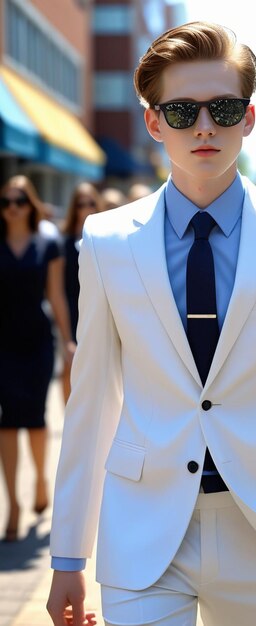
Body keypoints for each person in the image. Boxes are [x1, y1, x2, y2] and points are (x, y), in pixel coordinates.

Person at [47, 21, 256, 626]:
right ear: (153, 123)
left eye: (223, 108)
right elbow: (92, 400)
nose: (204, 126)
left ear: (248, 118)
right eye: (181, 111)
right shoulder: (106, 240)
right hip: (141, 530)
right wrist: (67, 553)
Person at [0, 175, 75, 542]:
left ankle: (41, 480)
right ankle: (13, 502)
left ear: (30, 203)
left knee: (36, 418)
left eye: (19, 200)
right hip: (3, 343)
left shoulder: (48, 243)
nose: (12, 207)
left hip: (36, 341)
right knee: (8, 421)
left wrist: (68, 340)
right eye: (7, 202)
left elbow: (57, 296)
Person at [60, 182, 103, 403]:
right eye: (81, 203)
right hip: (72, 313)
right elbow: (57, 290)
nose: (86, 208)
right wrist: (66, 335)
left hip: (100, 314)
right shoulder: (63, 243)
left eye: (91, 203)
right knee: (70, 368)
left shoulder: (108, 240)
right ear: (74, 207)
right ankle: (69, 421)